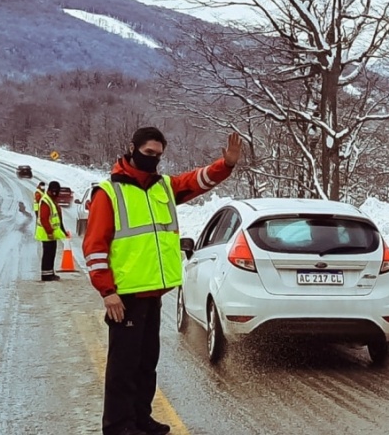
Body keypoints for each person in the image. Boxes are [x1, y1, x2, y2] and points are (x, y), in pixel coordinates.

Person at [83, 127, 241, 435]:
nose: (153, 159)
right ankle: (118, 426)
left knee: (146, 364)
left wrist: (227, 164)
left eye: (158, 155)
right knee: (122, 369)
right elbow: (94, 247)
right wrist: (107, 292)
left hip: (153, 294)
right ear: (133, 149)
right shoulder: (109, 193)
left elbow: (197, 180)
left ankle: (141, 418)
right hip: (125, 297)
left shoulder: (164, 187)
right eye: (148, 153)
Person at [36, 180, 67, 281]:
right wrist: (49, 232)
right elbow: (44, 218)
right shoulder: (46, 201)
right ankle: (46, 275)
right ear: (53, 191)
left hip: (50, 233)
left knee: (51, 253)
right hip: (46, 233)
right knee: (48, 254)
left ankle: (50, 272)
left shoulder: (50, 199)